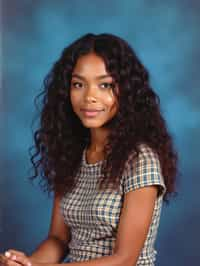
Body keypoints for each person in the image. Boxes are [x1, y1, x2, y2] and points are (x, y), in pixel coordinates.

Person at [0, 33, 178, 266]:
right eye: (78, 84)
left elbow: (125, 260)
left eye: (105, 85)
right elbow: (58, 239)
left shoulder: (140, 159)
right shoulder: (72, 155)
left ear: (126, 92)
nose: (89, 97)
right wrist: (27, 263)